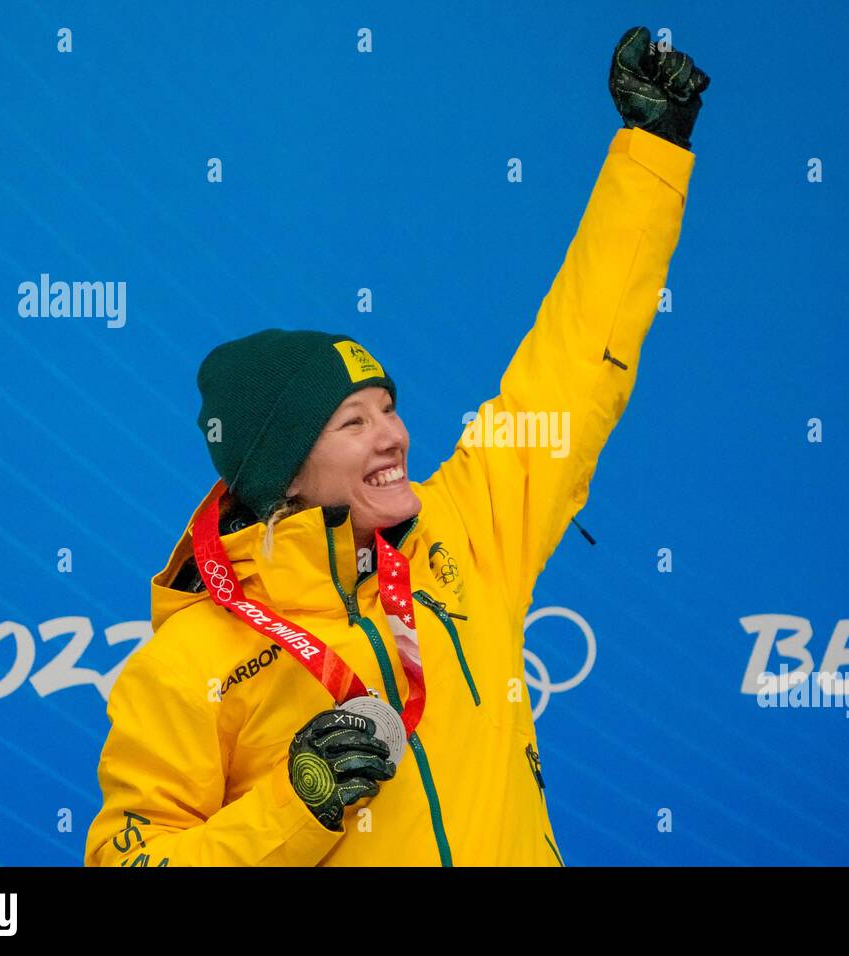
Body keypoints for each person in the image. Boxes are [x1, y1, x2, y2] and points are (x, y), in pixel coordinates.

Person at [83, 25, 709, 867]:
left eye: (388, 407)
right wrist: (294, 804)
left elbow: (574, 361)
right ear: (284, 472)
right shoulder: (188, 662)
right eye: (353, 422)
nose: (394, 435)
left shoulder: (469, 531)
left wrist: (652, 154)